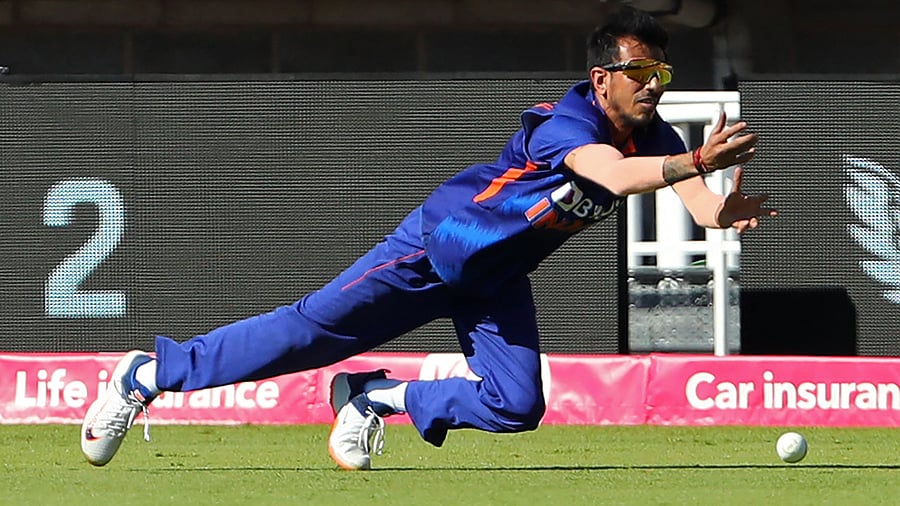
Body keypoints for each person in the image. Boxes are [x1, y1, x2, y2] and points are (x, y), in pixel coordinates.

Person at [80, 6, 776, 470]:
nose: (653, 85)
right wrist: (694, 165)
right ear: (601, 80)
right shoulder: (565, 124)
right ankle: (148, 374)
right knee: (301, 336)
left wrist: (721, 208)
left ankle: (376, 397)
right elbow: (617, 178)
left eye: (662, 73)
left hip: (494, 281)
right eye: (640, 72)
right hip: (433, 251)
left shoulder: (658, 135)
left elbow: (694, 202)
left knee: (516, 406)